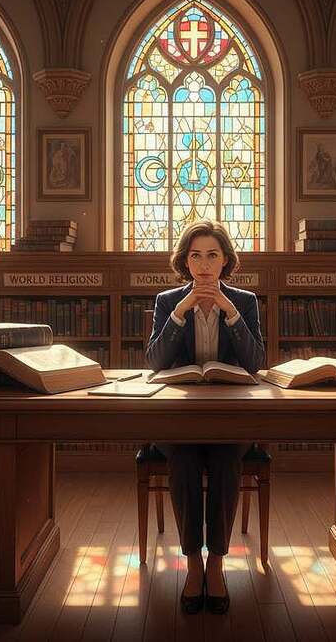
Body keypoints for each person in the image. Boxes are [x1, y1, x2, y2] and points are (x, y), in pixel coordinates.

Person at [146, 219, 265, 615]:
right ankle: (192, 565)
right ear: (185, 261)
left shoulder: (244, 301)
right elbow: (155, 363)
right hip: (177, 419)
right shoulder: (167, 301)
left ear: (226, 261)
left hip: (230, 417)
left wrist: (230, 311)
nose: (203, 264)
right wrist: (181, 311)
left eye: (212, 255)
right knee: (183, 461)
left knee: (226, 459)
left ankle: (217, 564)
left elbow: (255, 364)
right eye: (195, 255)